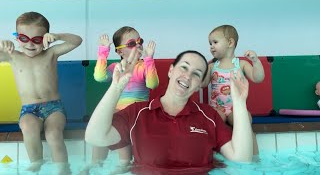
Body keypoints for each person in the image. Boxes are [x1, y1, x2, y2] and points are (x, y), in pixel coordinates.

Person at [85, 48, 253, 175]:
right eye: (184, 68)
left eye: (196, 74)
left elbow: (242, 157)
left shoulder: (209, 116)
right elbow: (95, 137)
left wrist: (239, 103)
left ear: (199, 84)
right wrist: (117, 87)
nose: (188, 76)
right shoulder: (138, 112)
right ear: (171, 70)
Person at [0, 11, 82, 173]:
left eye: (37, 40)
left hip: (54, 108)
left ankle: (63, 169)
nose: (30, 44)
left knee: (53, 134)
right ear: (17, 38)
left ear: (45, 39)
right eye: (24, 39)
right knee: (27, 128)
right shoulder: (12, 56)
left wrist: (57, 36)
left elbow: (77, 41)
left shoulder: (51, 53)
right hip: (29, 109)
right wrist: (2, 45)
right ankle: (37, 163)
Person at [89, 26, 159, 173]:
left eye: (140, 41)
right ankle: (96, 163)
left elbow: (152, 84)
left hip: (139, 113)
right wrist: (103, 52)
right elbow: (99, 77)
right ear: (120, 51)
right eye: (132, 43)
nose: (139, 45)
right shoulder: (116, 67)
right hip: (121, 113)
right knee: (103, 123)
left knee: (116, 121)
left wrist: (149, 59)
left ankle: (124, 162)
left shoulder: (143, 66)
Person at [202, 25, 265, 155]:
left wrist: (256, 61)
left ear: (230, 43)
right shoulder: (212, 66)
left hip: (236, 108)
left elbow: (258, 78)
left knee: (245, 125)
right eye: (210, 43)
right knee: (211, 123)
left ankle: (254, 158)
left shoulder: (241, 64)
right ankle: (211, 157)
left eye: (215, 42)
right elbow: (203, 84)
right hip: (216, 108)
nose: (211, 46)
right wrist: (199, 70)